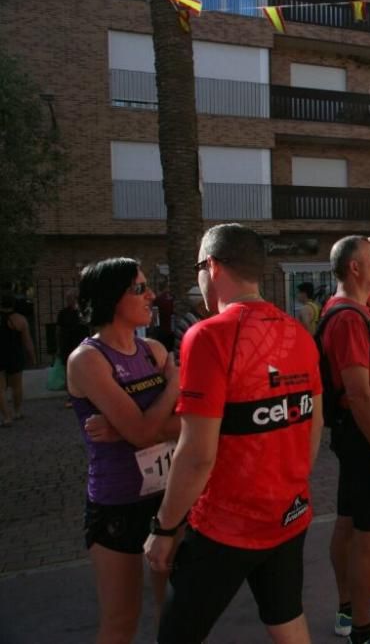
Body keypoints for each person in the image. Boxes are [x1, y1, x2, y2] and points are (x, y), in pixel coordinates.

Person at [145, 223, 325, 644]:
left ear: (212, 265)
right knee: (287, 621)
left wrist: (165, 528)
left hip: (226, 525)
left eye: (197, 270)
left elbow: (196, 453)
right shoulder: (298, 333)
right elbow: (312, 422)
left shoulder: (208, 336)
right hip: (289, 514)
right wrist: (289, 486)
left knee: (176, 635)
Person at [64, 258, 181, 643]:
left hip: (168, 497)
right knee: (121, 620)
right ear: (112, 298)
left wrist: (122, 429)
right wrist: (172, 387)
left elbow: (188, 426)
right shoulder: (88, 359)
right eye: (139, 289)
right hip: (118, 502)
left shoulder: (152, 351)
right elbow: (147, 434)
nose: (151, 295)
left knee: (177, 610)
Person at [319, 235, 370, 644]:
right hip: (367, 435)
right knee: (369, 536)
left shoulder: (355, 307)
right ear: (354, 268)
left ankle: (350, 609)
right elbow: (358, 394)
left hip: (358, 436)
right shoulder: (350, 318)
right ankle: (362, 631)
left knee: (349, 523)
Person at [0, 292, 36, 426]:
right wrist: (32, 357)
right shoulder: (20, 320)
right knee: (17, 386)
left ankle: (6, 417)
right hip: (14, 355)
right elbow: (27, 342)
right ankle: (17, 411)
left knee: (0, 389)